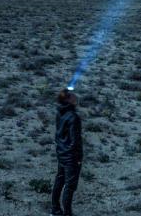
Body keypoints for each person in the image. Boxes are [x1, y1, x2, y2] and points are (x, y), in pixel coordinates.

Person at [51, 88, 83, 216]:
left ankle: (55, 209)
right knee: (69, 187)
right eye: (72, 95)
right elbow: (75, 141)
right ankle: (67, 214)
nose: (76, 96)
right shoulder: (73, 117)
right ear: (68, 99)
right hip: (71, 157)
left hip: (61, 153)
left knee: (59, 181)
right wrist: (78, 157)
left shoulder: (60, 112)